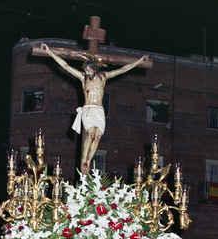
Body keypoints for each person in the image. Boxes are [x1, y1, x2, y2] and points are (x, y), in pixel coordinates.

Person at [40, 43, 148, 174]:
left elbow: (123, 69)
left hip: (99, 110)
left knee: (97, 136)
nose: (87, 72)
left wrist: (139, 61)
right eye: (85, 70)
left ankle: (88, 160)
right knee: (91, 134)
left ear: (94, 68)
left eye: (89, 70)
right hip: (88, 109)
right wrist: (49, 52)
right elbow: (66, 66)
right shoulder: (83, 78)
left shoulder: (103, 77)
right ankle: (84, 160)